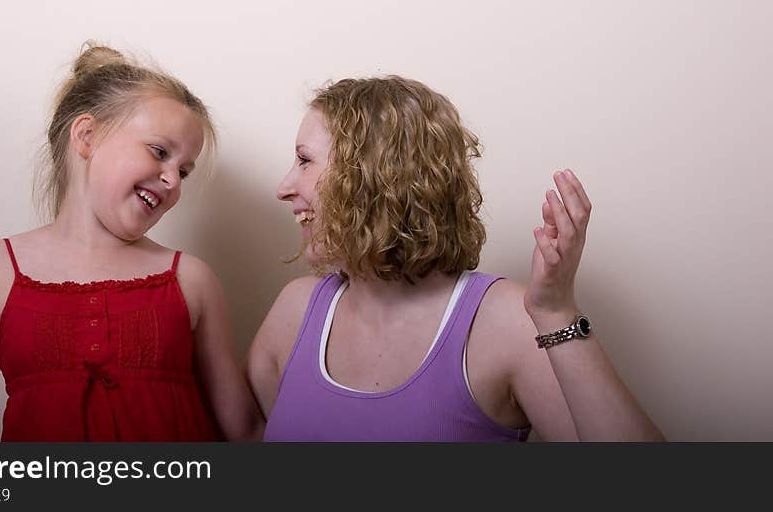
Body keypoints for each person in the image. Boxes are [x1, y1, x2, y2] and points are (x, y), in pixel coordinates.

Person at [248, 76, 664, 441]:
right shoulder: (295, 311)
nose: (284, 188)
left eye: (304, 160)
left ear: (376, 177)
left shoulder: (505, 321)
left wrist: (555, 312)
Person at [0, 43, 263, 442]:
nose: (172, 180)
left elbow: (243, 429)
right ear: (86, 136)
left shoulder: (191, 280)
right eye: (159, 152)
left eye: (184, 171)